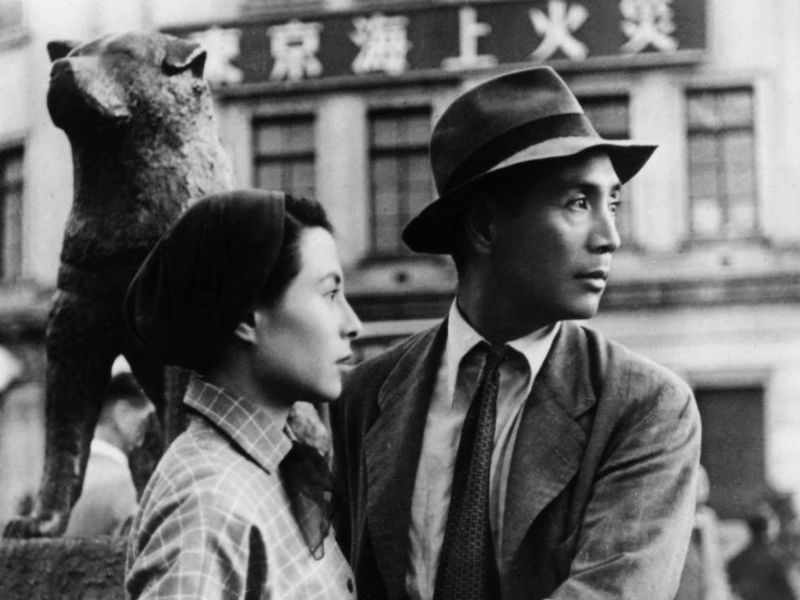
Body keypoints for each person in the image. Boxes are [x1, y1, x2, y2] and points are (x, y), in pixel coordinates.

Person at [332, 66, 701, 600]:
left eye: (613, 204)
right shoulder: (362, 399)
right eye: (579, 203)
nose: (611, 237)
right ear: (485, 227)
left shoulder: (645, 406)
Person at [124, 190, 362, 599]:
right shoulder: (208, 502)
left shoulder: (271, 470)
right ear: (248, 319)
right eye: (329, 294)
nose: (352, 323)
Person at [64, 356, 155, 537]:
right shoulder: (121, 482)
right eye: (147, 420)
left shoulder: (68, 475)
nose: (151, 431)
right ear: (123, 414)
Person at [727, 510, 797, 600]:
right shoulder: (775, 558)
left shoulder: (737, 561)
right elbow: (789, 591)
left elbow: (733, 588)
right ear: (767, 529)